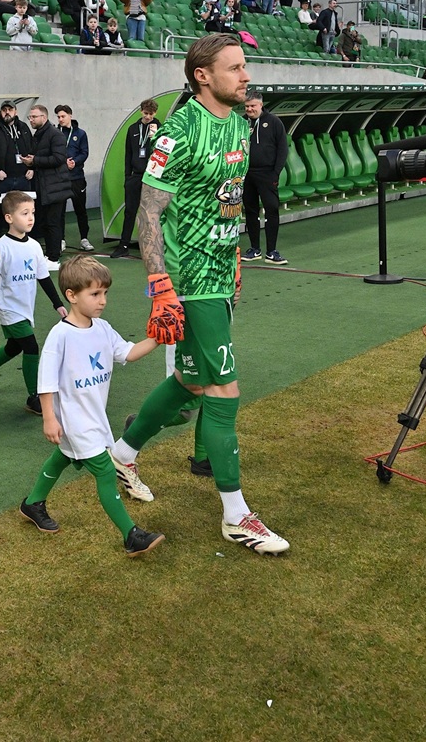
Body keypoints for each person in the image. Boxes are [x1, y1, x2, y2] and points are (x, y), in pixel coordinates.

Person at [109, 33, 290, 555]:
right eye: (235, 68)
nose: (246, 76)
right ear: (202, 76)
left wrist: (234, 259)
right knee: (224, 389)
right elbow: (148, 211)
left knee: (190, 380)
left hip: (219, 274)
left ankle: (122, 452)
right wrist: (160, 285)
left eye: (245, 66)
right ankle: (236, 514)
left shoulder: (237, 123)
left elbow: (229, 202)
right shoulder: (179, 131)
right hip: (188, 281)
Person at [19, 255, 166, 556]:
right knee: (105, 470)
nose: (102, 301)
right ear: (71, 296)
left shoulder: (102, 328)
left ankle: (33, 503)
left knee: (62, 457)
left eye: (105, 293)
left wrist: (157, 339)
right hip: (73, 419)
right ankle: (131, 535)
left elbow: (127, 353)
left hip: (93, 415)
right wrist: (49, 418)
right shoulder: (59, 336)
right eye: (95, 294)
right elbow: (45, 382)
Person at [0, 190, 67, 412]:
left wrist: (58, 304)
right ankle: (34, 398)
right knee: (31, 346)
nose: (31, 218)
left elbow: (43, 278)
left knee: (15, 346)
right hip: (8, 309)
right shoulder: (1, 246)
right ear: (9, 218)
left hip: (26, 309)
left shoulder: (34, 246)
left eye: (32, 212)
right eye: (24, 213)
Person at [241, 92, 287, 265]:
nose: (249, 109)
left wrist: (275, 173)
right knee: (251, 211)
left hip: (267, 175)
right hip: (246, 175)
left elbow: (283, 149)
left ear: (261, 105)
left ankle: (272, 251)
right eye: (246, 106)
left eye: (252, 106)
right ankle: (254, 249)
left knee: (272, 210)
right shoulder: (241, 122)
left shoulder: (274, 122)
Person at [110, 99, 160, 258]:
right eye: (146, 113)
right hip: (134, 177)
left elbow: (161, 152)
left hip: (151, 177)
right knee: (130, 211)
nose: (148, 117)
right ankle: (123, 244)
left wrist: (156, 133)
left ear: (155, 113)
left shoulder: (160, 128)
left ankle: (151, 246)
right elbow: (128, 154)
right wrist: (127, 176)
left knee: (150, 213)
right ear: (141, 111)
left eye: (151, 114)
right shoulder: (132, 129)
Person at [24, 104, 70, 269]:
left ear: (44, 117)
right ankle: (50, 255)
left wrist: (34, 161)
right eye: (30, 117)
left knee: (53, 222)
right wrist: (32, 164)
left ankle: (53, 258)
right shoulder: (39, 135)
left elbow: (58, 159)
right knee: (45, 222)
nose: (31, 120)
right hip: (44, 186)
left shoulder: (55, 135)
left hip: (56, 187)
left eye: (34, 117)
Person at [0, 101, 31, 238]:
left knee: (24, 210)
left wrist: (32, 168)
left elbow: (32, 149)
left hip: (22, 178)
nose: (7, 112)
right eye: (4, 110)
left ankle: (23, 239)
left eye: (10, 109)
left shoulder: (24, 127)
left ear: (16, 112)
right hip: (2, 179)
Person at [54, 105, 91, 252]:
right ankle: (61, 240)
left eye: (63, 116)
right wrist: (63, 163)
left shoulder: (80, 134)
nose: (60, 119)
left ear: (70, 115)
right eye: (58, 117)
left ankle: (84, 239)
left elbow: (84, 152)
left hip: (77, 177)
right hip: (61, 178)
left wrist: (74, 161)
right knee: (60, 210)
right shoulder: (55, 133)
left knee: (80, 209)